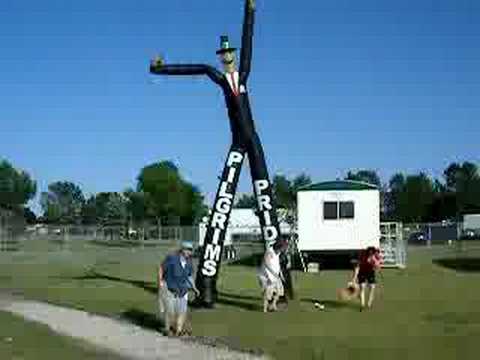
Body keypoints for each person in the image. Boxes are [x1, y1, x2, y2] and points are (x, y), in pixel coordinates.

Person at [158, 241, 200, 336]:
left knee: (182, 310)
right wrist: (160, 282)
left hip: (182, 289)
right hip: (169, 287)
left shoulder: (189, 262)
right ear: (182, 250)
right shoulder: (172, 258)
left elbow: (189, 276)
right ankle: (167, 329)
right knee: (170, 311)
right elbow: (161, 268)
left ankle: (179, 330)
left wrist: (194, 288)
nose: (190, 252)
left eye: (191, 250)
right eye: (188, 250)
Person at [257, 241, 287, 313]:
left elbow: (277, 264)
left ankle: (273, 305)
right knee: (268, 293)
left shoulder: (278, 253)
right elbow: (266, 264)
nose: (284, 249)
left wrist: (280, 274)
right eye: (283, 248)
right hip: (266, 276)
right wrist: (272, 274)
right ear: (279, 247)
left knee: (279, 291)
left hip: (275, 276)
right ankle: (264, 309)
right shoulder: (269, 252)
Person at [352, 246, 383, 311]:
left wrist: (375, 263)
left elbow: (378, 266)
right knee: (362, 287)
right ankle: (362, 304)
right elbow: (357, 267)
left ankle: (369, 303)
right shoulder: (362, 257)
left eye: (372, 253)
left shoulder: (376, 257)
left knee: (372, 287)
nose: (370, 254)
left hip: (370, 272)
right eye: (369, 253)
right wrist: (354, 278)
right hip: (362, 272)